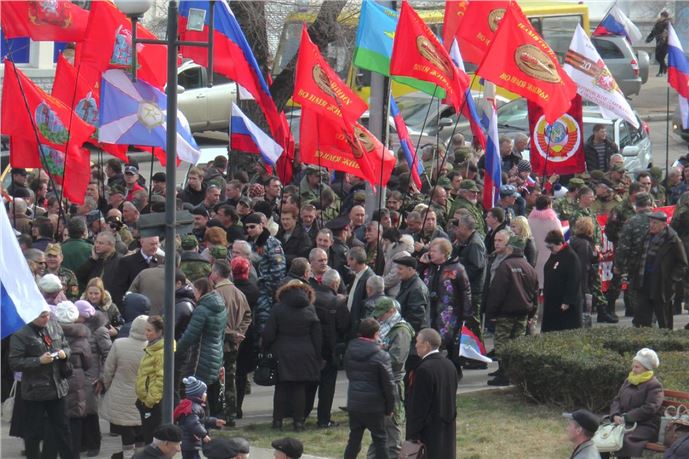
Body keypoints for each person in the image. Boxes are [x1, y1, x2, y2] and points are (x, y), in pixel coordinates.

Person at [262, 280, 322, 432]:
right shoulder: (310, 309)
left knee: (281, 387)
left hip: (282, 351)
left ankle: (277, 422)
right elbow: (317, 335)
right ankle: (299, 422)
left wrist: (265, 348)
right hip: (305, 351)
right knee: (299, 387)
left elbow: (269, 333)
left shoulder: (278, 308)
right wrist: (318, 355)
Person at [484, 236, 538, 386]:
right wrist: (532, 313)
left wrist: (491, 313)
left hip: (505, 314)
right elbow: (534, 293)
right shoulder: (529, 267)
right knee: (516, 344)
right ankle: (514, 374)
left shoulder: (505, 266)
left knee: (501, 344)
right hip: (523, 313)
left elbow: (497, 292)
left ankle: (504, 375)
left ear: (510, 248)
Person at [343, 318, 395, 459]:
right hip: (374, 405)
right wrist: (390, 407)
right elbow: (388, 384)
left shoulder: (350, 350)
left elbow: (349, 373)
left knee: (354, 439)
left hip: (355, 401)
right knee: (380, 439)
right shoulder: (381, 355)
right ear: (376, 333)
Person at [176, 278, 228, 417]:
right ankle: (209, 422)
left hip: (201, 357)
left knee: (196, 393)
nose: (193, 294)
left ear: (200, 290)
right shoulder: (221, 307)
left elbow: (190, 335)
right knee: (206, 391)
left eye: (194, 290)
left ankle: (200, 423)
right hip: (216, 354)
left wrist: (176, 350)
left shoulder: (202, 309)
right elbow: (222, 334)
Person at [369, 298, 414, 458]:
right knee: (379, 427)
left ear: (392, 311)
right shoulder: (386, 327)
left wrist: (376, 354)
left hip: (393, 383)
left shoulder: (401, 331)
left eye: (382, 314)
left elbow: (397, 359)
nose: (379, 317)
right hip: (382, 382)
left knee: (392, 426)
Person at [100, 315, 148, 459]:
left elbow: (108, 370)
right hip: (143, 397)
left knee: (126, 434)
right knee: (142, 431)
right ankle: (140, 455)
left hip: (120, 395)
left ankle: (128, 455)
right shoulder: (153, 348)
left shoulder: (119, 344)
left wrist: (107, 386)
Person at [405, 328, 458, 459]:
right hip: (447, 428)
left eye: (418, 342)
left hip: (429, 432)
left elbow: (419, 406)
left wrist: (412, 434)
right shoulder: (450, 365)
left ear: (426, 345)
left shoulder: (423, 369)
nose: (415, 345)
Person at [306, 269, 349, 428]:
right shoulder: (337, 303)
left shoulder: (311, 298)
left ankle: (302, 414)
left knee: (310, 384)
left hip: (311, 348)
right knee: (327, 387)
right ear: (335, 284)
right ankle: (324, 419)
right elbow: (344, 326)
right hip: (330, 350)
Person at [602, 349, 664, 459]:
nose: (633, 369)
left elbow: (650, 408)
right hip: (624, 422)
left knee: (623, 438)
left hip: (645, 426)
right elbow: (617, 400)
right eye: (633, 366)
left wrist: (626, 418)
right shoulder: (629, 380)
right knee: (604, 434)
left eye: (637, 367)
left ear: (646, 368)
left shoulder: (654, 385)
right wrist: (615, 415)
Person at [53, 301, 92, 458]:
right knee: (75, 421)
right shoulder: (82, 339)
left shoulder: (50, 335)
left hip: (55, 380)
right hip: (76, 382)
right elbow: (88, 363)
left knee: (55, 421)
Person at [78, 300, 111, 457]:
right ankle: (83, 442)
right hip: (79, 375)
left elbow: (108, 354)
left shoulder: (99, 330)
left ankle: (94, 443)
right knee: (79, 410)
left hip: (92, 377)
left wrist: (102, 378)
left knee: (90, 411)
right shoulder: (77, 327)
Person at [173, 377, 225, 459]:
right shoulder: (194, 407)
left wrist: (214, 421)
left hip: (190, 442)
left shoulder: (193, 406)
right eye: (204, 392)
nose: (206, 394)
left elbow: (201, 420)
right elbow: (193, 424)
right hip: (190, 443)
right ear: (199, 394)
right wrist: (203, 435)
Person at [541, 230, 583, 332]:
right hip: (553, 301)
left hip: (564, 304)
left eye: (551, 247)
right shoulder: (554, 254)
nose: (550, 250)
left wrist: (567, 301)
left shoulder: (571, 257)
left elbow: (574, 280)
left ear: (559, 243)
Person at [136, 315, 166, 444]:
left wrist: (150, 400)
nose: (146, 333)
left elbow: (161, 378)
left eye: (149, 330)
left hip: (153, 403)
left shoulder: (160, 351)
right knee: (149, 437)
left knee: (152, 438)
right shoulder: (152, 347)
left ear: (159, 332)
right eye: (146, 330)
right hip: (146, 400)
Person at [569, 217, 599, 326]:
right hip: (584, 280)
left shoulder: (573, 240)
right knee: (585, 305)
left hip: (574, 278)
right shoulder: (584, 244)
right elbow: (583, 264)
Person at [646, 10, 671, 76]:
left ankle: (660, 72)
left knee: (661, 57)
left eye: (663, 16)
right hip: (658, 42)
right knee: (657, 57)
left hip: (665, 43)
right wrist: (649, 38)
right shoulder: (658, 23)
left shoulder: (667, 23)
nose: (661, 17)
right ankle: (665, 67)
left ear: (666, 17)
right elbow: (653, 31)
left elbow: (666, 32)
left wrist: (662, 39)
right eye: (661, 16)